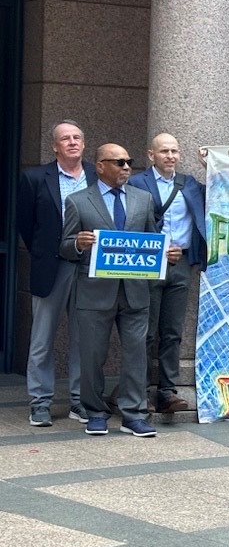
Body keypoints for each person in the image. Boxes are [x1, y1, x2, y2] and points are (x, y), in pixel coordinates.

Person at [60, 143, 166, 437]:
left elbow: (151, 241)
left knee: (136, 355)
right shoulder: (78, 201)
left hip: (134, 291)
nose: (126, 167)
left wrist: (164, 255)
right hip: (94, 292)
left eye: (129, 162)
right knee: (92, 356)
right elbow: (65, 247)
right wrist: (78, 244)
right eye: (119, 162)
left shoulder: (143, 200)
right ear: (100, 165)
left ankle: (134, 414)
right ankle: (94, 411)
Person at [15, 120, 95, 426]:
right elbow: (26, 223)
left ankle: (79, 400)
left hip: (88, 267)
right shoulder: (35, 178)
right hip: (51, 267)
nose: (72, 142)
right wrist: (45, 251)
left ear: (84, 144)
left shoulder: (96, 177)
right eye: (65, 139)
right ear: (55, 146)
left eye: (77, 137)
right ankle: (40, 402)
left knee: (84, 338)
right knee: (42, 340)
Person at [127, 133, 207, 414]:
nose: (170, 156)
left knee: (172, 332)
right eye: (164, 151)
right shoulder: (137, 183)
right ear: (151, 155)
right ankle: (140, 390)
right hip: (147, 264)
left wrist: (212, 165)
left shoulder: (191, 184)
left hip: (182, 264)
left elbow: (224, 191)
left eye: (174, 151)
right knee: (146, 332)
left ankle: (167, 391)